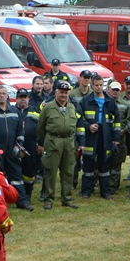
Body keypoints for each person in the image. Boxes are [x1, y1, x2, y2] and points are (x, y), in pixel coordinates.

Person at [37, 80, 79, 210]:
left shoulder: (72, 107)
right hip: (53, 142)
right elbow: (41, 128)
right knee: (50, 171)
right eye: (61, 92)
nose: (63, 95)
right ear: (56, 92)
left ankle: (66, 198)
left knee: (68, 171)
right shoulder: (48, 107)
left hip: (69, 143)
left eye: (66, 93)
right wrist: (47, 141)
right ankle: (49, 199)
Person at [0, 85, 30, 209]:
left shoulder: (15, 111)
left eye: (3, 93)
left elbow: (20, 132)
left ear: (7, 96)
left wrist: (19, 146)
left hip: (12, 150)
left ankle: (22, 201)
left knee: (17, 176)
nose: (1, 96)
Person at [78, 73, 120, 199]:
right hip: (90, 136)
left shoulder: (110, 102)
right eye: (96, 85)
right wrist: (88, 126)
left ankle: (105, 192)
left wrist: (116, 138)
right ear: (92, 86)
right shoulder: (85, 101)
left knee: (104, 163)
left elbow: (117, 122)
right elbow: (79, 119)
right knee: (88, 163)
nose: (99, 87)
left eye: (101, 85)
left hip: (105, 135)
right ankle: (86, 191)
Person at [15, 89, 40, 201]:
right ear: (16, 99)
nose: (23, 99)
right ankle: (16, 194)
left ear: (28, 99)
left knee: (29, 171)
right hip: (15, 145)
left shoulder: (35, 111)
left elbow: (41, 129)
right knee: (15, 170)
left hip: (31, 145)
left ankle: (28, 193)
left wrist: (40, 144)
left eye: (25, 97)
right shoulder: (11, 110)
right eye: (21, 97)